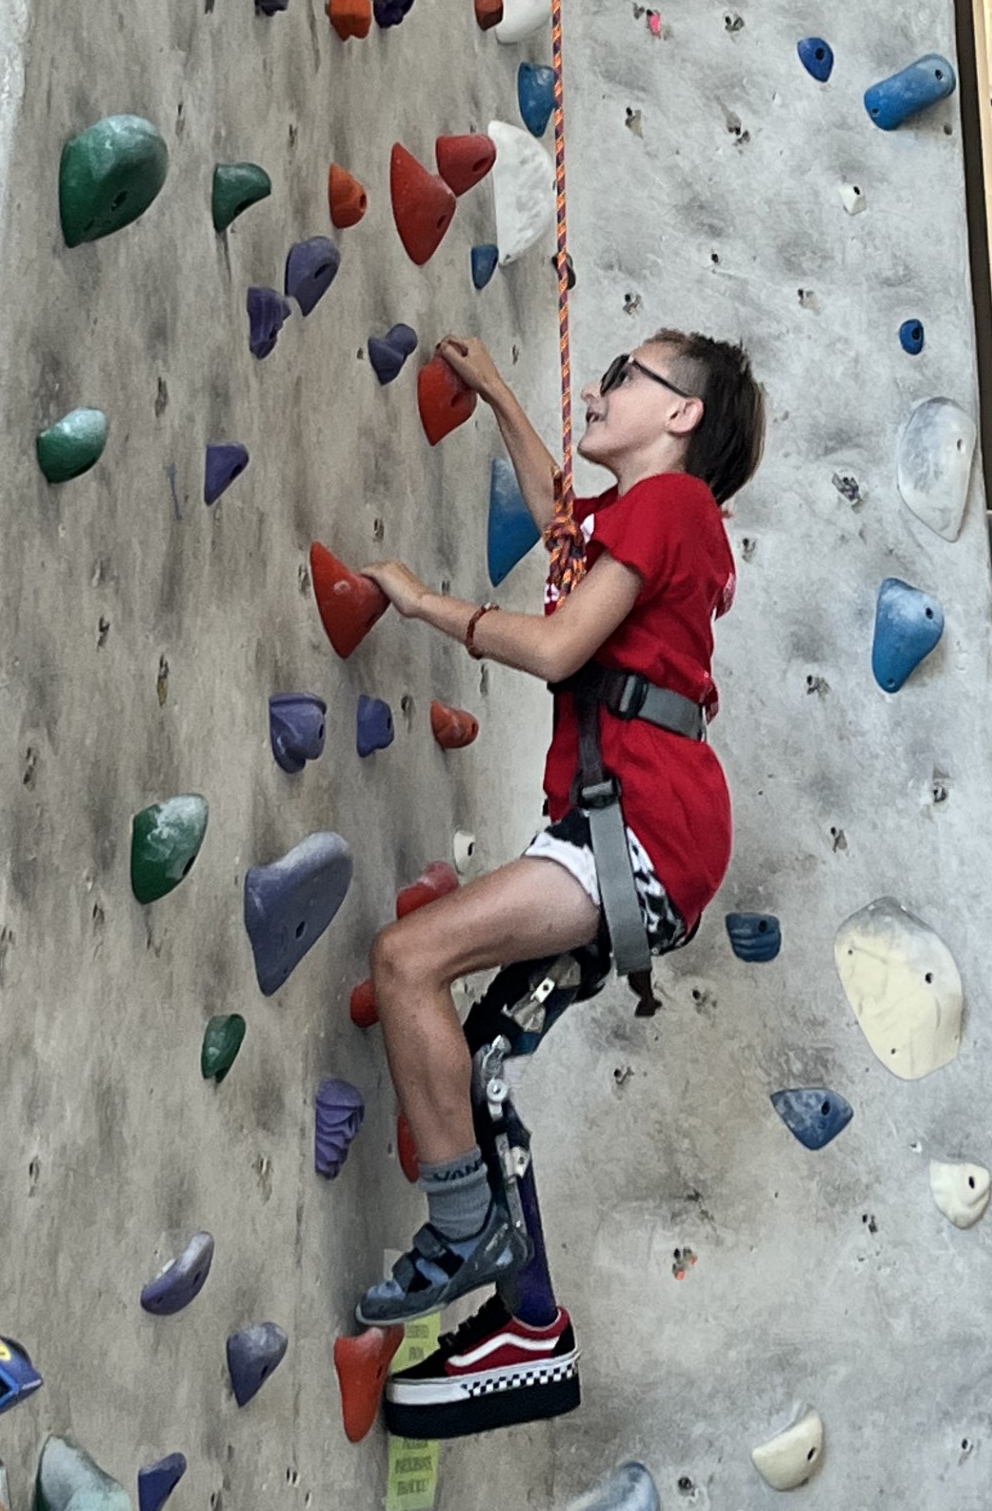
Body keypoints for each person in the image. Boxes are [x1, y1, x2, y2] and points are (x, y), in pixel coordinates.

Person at [352, 331, 765, 1351]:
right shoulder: (654, 519)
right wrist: (495, 387)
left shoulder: (671, 508)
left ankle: (468, 1234)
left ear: (682, 416)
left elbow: (558, 645)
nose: (607, 381)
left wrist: (422, 605)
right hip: (631, 830)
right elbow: (561, 522)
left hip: (639, 832)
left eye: (630, 373)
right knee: (478, 1046)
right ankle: (520, 1307)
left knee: (408, 963)